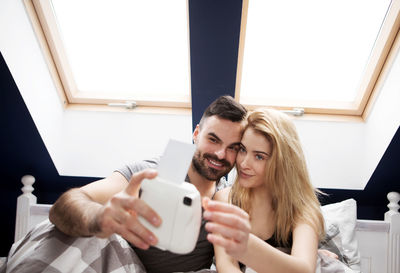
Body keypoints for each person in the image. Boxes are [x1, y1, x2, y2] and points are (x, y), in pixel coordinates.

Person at [49, 95, 247, 273]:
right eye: (213, 140)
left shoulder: (226, 198)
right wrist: (99, 217)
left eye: (233, 148)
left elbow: (227, 263)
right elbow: (67, 204)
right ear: (196, 134)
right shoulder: (151, 173)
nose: (221, 154)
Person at [202, 108, 326, 273]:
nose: (244, 163)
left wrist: (247, 247)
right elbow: (226, 266)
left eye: (259, 156)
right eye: (242, 150)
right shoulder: (225, 199)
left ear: (282, 162)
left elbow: (304, 269)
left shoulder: (303, 209)